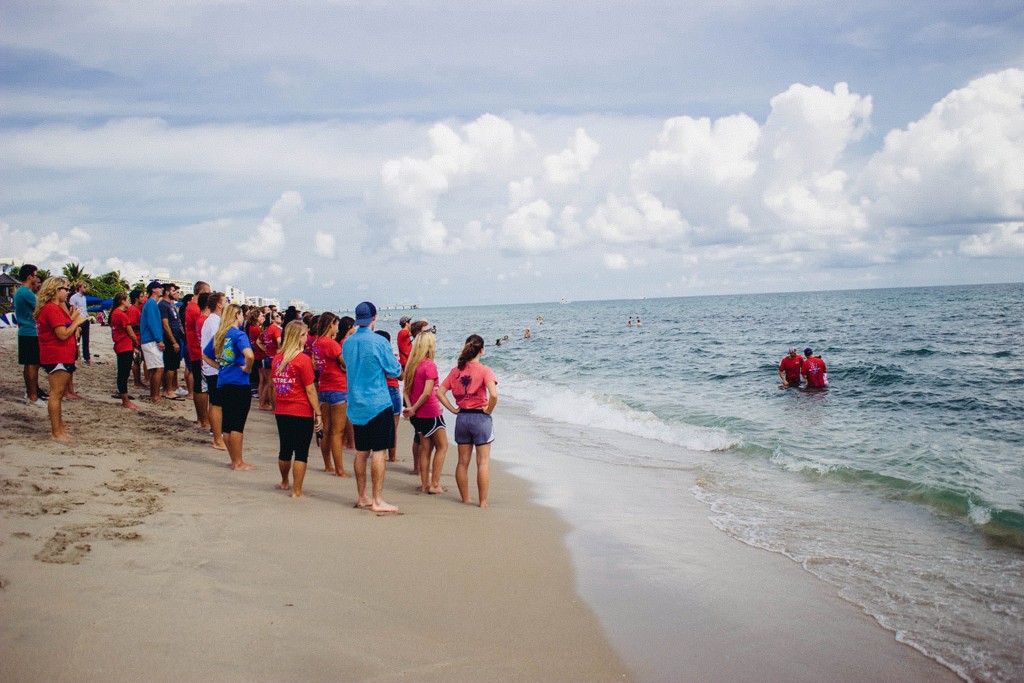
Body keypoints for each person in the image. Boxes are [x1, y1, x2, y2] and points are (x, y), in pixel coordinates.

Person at [342, 301, 402, 513]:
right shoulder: (378, 342)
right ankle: (377, 500)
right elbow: (394, 370)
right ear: (374, 317)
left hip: (356, 401)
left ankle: (362, 496)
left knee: (361, 451)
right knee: (379, 452)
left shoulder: (347, 343)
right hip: (377, 401)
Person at [436, 334, 498, 508]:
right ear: (482, 350)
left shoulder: (456, 371)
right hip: (480, 418)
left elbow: (439, 392)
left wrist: (454, 409)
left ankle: (465, 498)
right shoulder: (485, 370)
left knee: (462, 462)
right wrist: (489, 410)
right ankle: (483, 502)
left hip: (462, 418)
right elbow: (493, 394)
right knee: (483, 462)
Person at [272, 320, 322, 497]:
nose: (307, 337)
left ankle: (285, 481)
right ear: (299, 337)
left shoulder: (277, 359)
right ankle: (296, 490)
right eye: (304, 334)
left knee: (285, 448)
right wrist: (318, 413)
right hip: (301, 410)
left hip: (282, 410)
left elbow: (274, 385)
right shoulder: (303, 360)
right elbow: (310, 389)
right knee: (301, 451)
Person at [202, 304, 255, 470]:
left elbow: (205, 354)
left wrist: (220, 367)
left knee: (227, 424)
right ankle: (238, 461)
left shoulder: (221, 335)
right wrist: (248, 368)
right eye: (242, 315)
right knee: (237, 424)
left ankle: (234, 460)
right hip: (239, 383)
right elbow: (250, 355)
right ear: (237, 315)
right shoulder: (239, 335)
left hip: (223, 382)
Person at [33, 277, 87, 441]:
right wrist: (76, 322)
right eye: (65, 289)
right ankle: (56, 432)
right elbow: (62, 334)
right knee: (56, 394)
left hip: (60, 354)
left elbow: (62, 329)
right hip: (56, 355)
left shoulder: (54, 308)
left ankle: (59, 428)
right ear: (56, 290)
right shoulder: (51, 309)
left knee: (59, 393)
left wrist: (73, 320)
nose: (67, 292)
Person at [402, 331, 448, 494]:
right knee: (442, 446)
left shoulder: (411, 365)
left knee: (426, 448)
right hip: (430, 412)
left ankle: (424, 484)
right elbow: (428, 393)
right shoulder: (429, 365)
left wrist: (410, 408)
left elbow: (406, 391)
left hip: (418, 415)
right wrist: (412, 409)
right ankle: (434, 484)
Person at [310, 313, 351, 477]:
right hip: (338, 387)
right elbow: (345, 363)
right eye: (336, 324)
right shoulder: (331, 344)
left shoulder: (316, 343)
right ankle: (340, 469)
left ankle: (328, 465)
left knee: (326, 431)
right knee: (337, 432)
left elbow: (314, 365)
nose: (337, 328)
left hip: (324, 387)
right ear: (331, 325)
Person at [14, 264, 46, 406]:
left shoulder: (20, 292)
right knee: (33, 364)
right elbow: (41, 309)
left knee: (28, 364)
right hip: (31, 332)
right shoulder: (26, 292)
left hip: (25, 331)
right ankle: (33, 396)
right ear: (29, 277)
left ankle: (30, 392)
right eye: (35, 275)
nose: (36, 278)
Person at [200, 293, 227, 451]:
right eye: (225, 301)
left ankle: (218, 432)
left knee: (217, 402)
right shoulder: (214, 322)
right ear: (218, 304)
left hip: (213, 367)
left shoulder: (212, 321)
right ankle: (217, 437)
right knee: (217, 403)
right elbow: (217, 345)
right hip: (214, 368)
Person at [185, 282, 211, 429]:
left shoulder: (192, 307)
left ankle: (201, 418)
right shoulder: (195, 309)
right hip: (197, 352)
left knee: (199, 387)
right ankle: (203, 419)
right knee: (201, 388)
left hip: (196, 351)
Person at [375, 329, 402, 463]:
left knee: (377, 424)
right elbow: (401, 376)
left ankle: (378, 452)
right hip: (392, 389)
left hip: (377, 390)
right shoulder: (392, 356)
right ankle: (392, 456)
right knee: (393, 426)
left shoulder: (372, 356)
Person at [109, 292, 140, 411]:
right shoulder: (121, 314)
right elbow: (129, 330)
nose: (129, 302)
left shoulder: (115, 313)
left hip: (121, 345)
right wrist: (136, 342)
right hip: (125, 345)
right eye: (127, 300)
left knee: (123, 372)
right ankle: (125, 400)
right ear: (122, 301)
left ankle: (124, 398)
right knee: (124, 373)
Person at [139, 280, 166, 403]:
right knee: (158, 368)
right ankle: (155, 396)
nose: (162, 290)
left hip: (150, 339)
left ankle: (154, 395)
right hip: (150, 340)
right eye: (159, 288)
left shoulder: (151, 303)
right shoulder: (151, 303)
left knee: (156, 368)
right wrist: (159, 340)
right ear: (154, 289)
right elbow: (152, 323)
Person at [159, 283, 185, 400]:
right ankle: (167, 390)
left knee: (173, 366)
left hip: (175, 337)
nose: (176, 293)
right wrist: (173, 341)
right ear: (167, 292)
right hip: (170, 339)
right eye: (174, 291)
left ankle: (168, 389)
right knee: (169, 366)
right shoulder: (163, 305)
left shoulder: (171, 305)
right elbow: (165, 324)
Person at [68, 281, 92, 365]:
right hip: (78, 320)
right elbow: (73, 310)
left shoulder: (84, 298)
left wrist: (87, 317)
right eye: (84, 287)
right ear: (79, 287)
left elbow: (84, 309)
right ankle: (74, 357)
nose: (85, 288)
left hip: (85, 319)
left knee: (86, 340)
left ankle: (87, 357)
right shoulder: (74, 297)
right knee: (76, 339)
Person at [127, 289, 147, 389]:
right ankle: (137, 382)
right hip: (136, 338)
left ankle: (138, 381)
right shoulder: (133, 309)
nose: (143, 298)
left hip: (139, 337)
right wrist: (143, 325)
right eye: (141, 296)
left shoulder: (136, 309)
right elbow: (131, 324)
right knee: (136, 360)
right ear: (136, 298)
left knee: (138, 360)